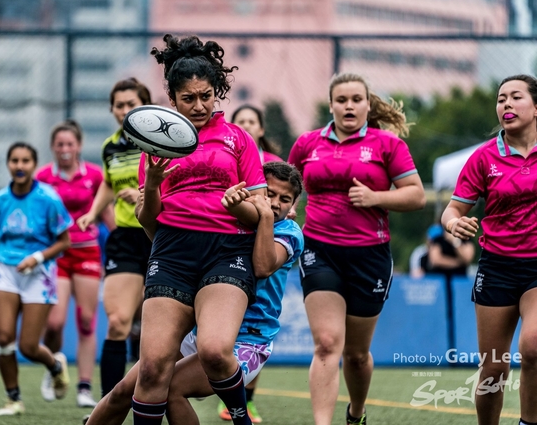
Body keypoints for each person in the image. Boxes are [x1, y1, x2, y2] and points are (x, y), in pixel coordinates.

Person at [84, 161, 304, 425]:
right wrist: (153, 202)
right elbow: (168, 242)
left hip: (246, 340)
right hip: (199, 331)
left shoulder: (289, 231)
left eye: (285, 198)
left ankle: (241, 416)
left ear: (294, 205)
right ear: (254, 188)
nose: (275, 202)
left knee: (172, 388)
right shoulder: (228, 220)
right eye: (269, 193)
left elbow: (262, 266)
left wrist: (265, 216)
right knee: (127, 389)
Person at [132, 33, 267, 425]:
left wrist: (238, 203)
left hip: (227, 251)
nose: (199, 106)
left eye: (206, 96)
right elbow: (147, 219)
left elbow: (260, 214)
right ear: (172, 99)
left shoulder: (238, 138)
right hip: (172, 251)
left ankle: (240, 418)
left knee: (213, 350)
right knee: (153, 366)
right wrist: (154, 183)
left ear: (217, 92)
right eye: (188, 99)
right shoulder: (156, 142)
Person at [288, 73, 426, 425]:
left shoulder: (387, 145)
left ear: (367, 104)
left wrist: (375, 197)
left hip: (370, 256)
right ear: (331, 104)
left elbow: (416, 195)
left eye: (356, 99)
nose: (349, 106)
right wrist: (286, 207)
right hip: (319, 249)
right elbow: (287, 187)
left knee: (356, 354)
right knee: (326, 343)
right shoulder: (307, 143)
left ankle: (356, 412)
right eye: (341, 100)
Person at [441, 74, 537, 425]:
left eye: (516, 97)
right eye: (501, 99)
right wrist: (453, 224)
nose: (506, 104)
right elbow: (452, 209)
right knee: (494, 367)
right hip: (497, 267)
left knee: (534, 346)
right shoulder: (483, 158)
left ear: (536, 106)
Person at [0, 142, 72, 416]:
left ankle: (55, 367)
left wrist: (37, 258)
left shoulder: (48, 198)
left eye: (26, 161)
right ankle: (13, 399)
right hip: (6, 271)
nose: (20, 166)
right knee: (3, 338)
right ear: (8, 164)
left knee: (28, 346)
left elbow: (65, 241)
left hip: (40, 273)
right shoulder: (0, 199)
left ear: (34, 165)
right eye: (14, 160)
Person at [76, 77, 153, 398]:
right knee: (118, 322)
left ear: (144, 106)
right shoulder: (111, 146)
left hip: (161, 237)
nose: (124, 110)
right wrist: (94, 212)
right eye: (119, 105)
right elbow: (108, 182)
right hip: (124, 238)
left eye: (130, 104)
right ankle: (108, 407)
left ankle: (155, 396)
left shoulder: (161, 142)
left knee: (156, 330)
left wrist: (144, 194)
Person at [215, 104, 284, 424]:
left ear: (260, 129)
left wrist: (275, 213)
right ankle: (232, 398)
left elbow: (286, 198)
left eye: (251, 121)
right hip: (228, 246)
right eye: (239, 121)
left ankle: (245, 402)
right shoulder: (227, 157)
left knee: (255, 324)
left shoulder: (273, 166)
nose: (245, 125)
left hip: (263, 244)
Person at [35, 120, 106, 408]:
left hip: (88, 252)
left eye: (70, 144)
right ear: (53, 147)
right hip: (57, 254)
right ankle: (53, 369)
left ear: (78, 145)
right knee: (54, 322)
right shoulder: (42, 177)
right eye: (60, 144)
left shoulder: (95, 175)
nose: (65, 149)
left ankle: (84, 387)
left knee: (87, 321)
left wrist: (120, 243)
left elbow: (107, 211)